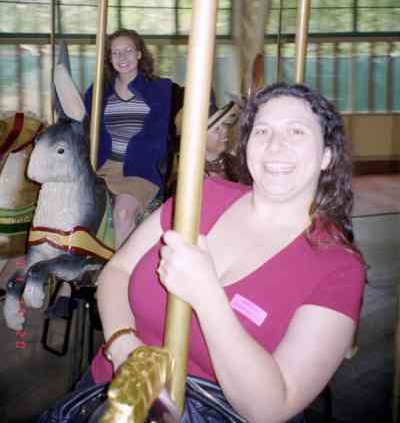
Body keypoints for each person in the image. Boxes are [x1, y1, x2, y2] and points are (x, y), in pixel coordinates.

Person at [38, 82, 365, 423]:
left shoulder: (338, 268)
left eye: (296, 131)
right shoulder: (202, 196)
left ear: (327, 154)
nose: (275, 145)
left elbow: (271, 408)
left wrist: (207, 296)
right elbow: (118, 271)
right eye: (262, 130)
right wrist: (125, 351)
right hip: (112, 386)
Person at [84, 29, 175, 248]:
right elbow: (85, 124)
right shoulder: (99, 91)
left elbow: (164, 133)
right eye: (116, 52)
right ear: (109, 58)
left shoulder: (160, 89)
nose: (122, 57)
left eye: (128, 51)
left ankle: (123, 267)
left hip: (142, 169)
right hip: (105, 166)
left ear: (139, 54)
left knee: (123, 213)